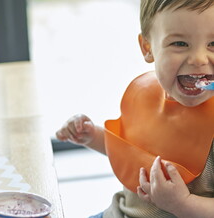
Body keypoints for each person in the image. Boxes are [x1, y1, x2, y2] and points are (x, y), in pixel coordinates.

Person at [56, 0, 214, 217]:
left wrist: (182, 204)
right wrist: (91, 135)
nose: (198, 59)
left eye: (213, 44)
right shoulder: (145, 95)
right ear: (147, 48)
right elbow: (134, 150)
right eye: (180, 43)